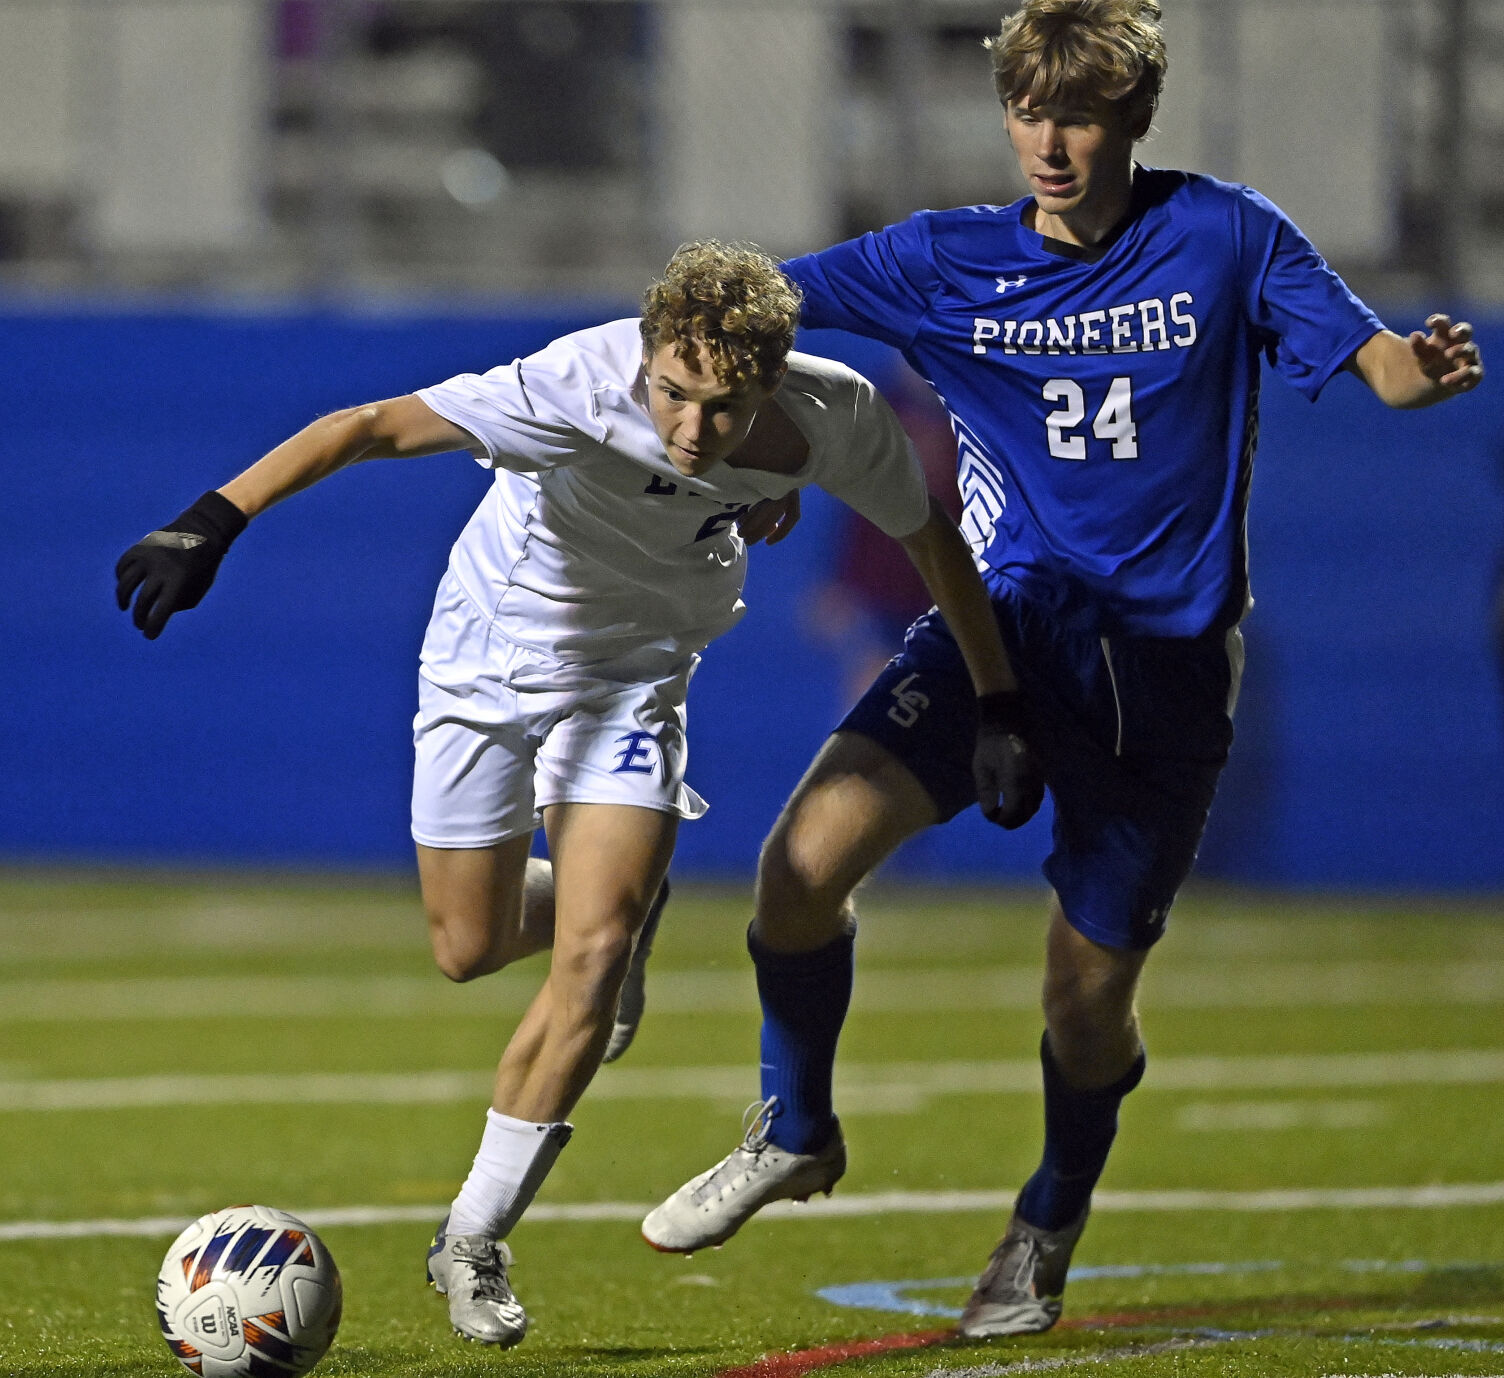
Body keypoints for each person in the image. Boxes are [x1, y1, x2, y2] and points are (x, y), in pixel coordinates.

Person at [640, 0, 1485, 1342]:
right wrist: (745, 445)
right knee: (798, 868)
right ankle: (794, 1125)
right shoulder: (942, 258)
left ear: (1135, 118)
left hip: (1160, 676)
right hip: (1006, 631)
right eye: (1029, 108)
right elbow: (753, 311)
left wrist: (1416, 371)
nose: (1049, 139)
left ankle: (1046, 1217)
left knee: (1086, 1005)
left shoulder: (1225, 236)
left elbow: (1375, 361)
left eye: (1079, 113)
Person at [114, 241, 1041, 1349]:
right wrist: (212, 518)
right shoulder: (572, 382)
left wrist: (999, 702)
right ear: (644, 359)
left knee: (591, 955)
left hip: (635, 674)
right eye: (675, 394)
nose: (692, 428)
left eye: (727, 407)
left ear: (776, 383)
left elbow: (933, 545)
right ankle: (615, 910)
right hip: (486, 655)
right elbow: (366, 425)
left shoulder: (835, 417)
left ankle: (472, 1237)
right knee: (469, 943)